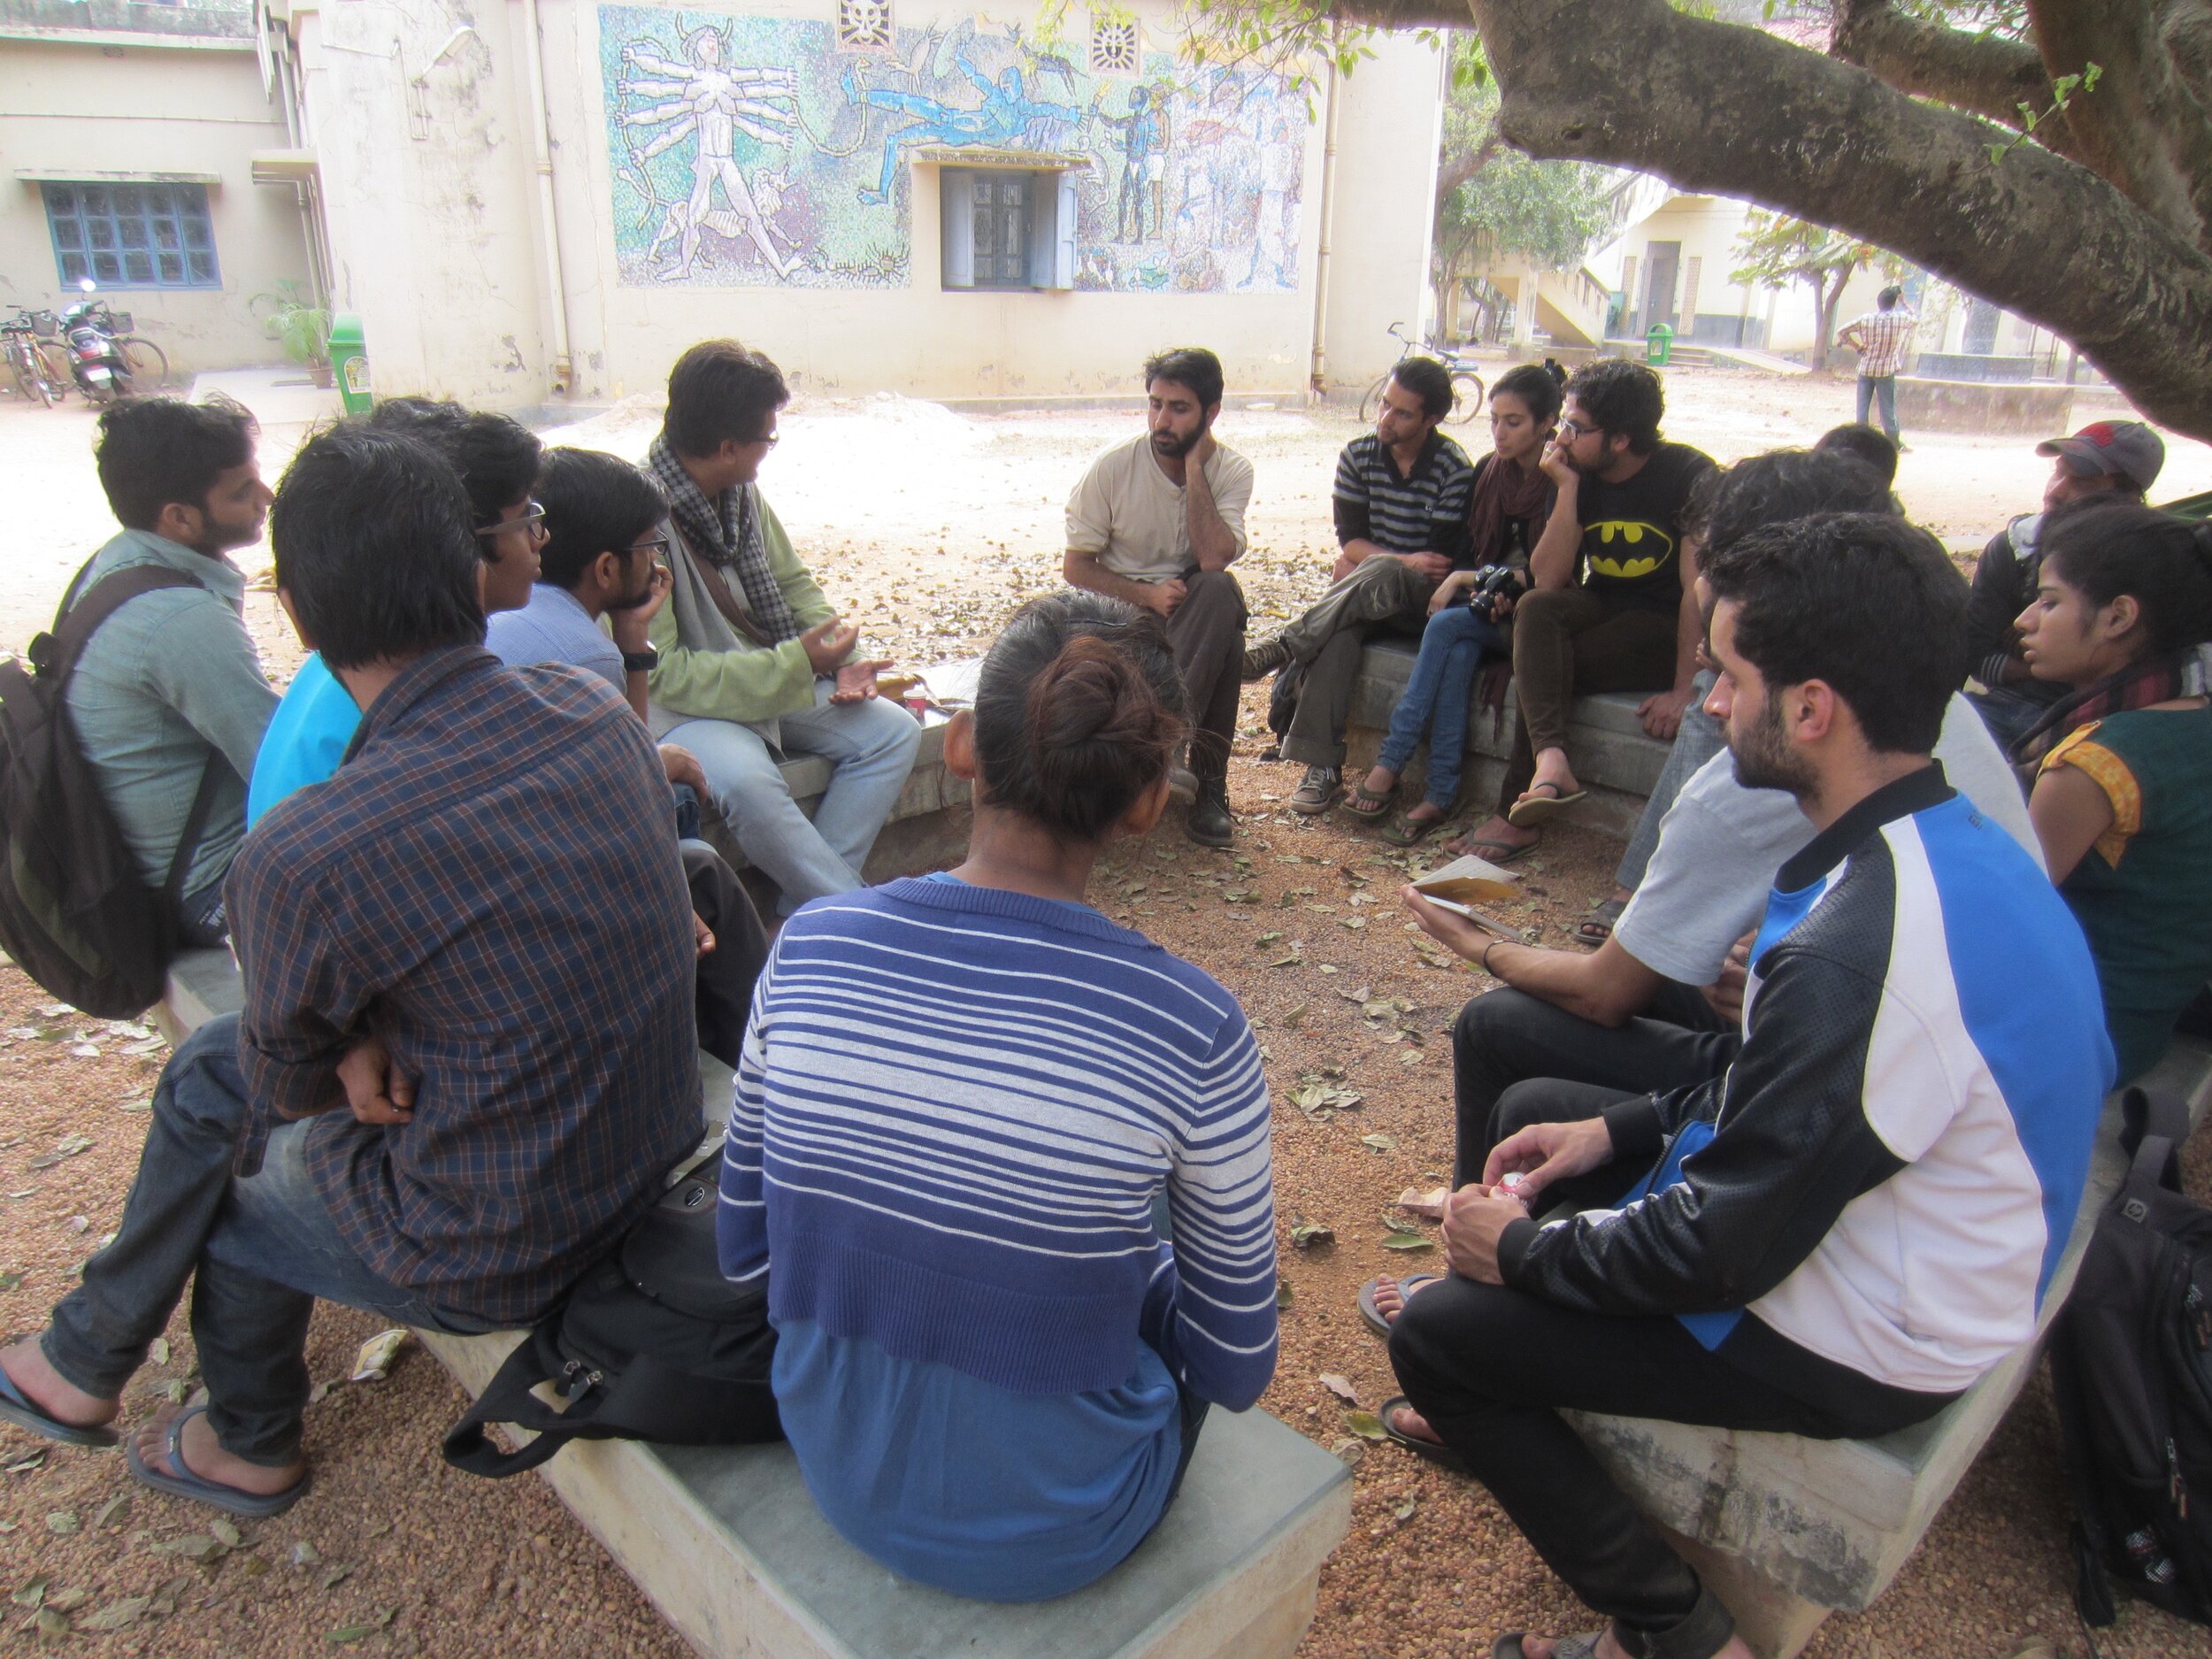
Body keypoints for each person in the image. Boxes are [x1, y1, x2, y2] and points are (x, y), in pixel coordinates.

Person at [1383, 511, 2112, 1659]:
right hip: (1920, 1236)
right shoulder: (1932, 836)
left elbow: (1721, 1248)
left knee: (1440, 1328)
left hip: (1880, 1338)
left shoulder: (1857, 952)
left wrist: (1516, 1255)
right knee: (1538, 1125)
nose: (1710, 703)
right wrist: (1608, 1129)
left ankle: (1672, 1629)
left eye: (1727, 676)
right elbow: (1776, 1090)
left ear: (1812, 709)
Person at [0, 423, 700, 1515]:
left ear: (293, 613)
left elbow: (285, 1093)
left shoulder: (306, 852)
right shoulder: (594, 714)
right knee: (203, 1080)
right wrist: (359, 1037)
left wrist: (343, 1048)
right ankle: (84, 1355)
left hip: (506, 1237)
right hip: (648, 1140)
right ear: (476, 579)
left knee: (234, 1173)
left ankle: (248, 1441)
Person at [719, 590, 1277, 1601]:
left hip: (836, 1469)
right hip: (1072, 1522)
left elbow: (747, 1250)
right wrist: (1122, 1267)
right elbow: (1233, 1368)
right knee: (1128, 1179)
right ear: (1149, 803)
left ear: (962, 747)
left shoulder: (807, 946)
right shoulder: (1194, 1028)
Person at [1390, 453, 2041, 1209]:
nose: (1709, 703)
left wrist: (1482, 943)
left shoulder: (1757, 774)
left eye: (1723, 666)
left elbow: (1611, 995)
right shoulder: (1925, 703)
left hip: (1884, 1108)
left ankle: (1491, 1227)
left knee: (1515, 1058)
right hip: (1937, 1064)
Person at [488, 445, 772, 1067]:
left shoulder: (534, 615)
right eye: (651, 547)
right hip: (545, 902)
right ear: (608, 568)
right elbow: (623, 788)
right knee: (685, 838)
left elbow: (622, 751)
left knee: (670, 798)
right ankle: (743, 1049)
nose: (657, 560)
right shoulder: (581, 656)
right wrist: (656, 764)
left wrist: (634, 643)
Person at [642, 340, 923, 914]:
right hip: (689, 711)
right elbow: (663, 674)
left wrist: (845, 655)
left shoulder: (743, 497)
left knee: (891, 731)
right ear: (726, 448)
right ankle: (852, 911)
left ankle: (802, 909)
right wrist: (796, 665)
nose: (770, 450)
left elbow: (796, 588)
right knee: (748, 786)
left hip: (769, 681)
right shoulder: (638, 516)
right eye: (768, 439)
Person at [1597, 445, 1900, 940]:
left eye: (1715, 558)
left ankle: (1647, 885)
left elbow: (1610, 990)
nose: (1703, 578)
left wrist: (1487, 949)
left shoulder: (1770, 771)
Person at [1450, 358, 1715, 864]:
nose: (1562, 436)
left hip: (1661, 622)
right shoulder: (1576, 474)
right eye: (1564, 422)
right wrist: (1567, 490)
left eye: (1575, 426)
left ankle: (1515, 812)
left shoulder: (1687, 475)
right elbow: (1548, 579)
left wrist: (1685, 690)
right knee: (1538, 609)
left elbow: (1694, 590)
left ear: (1620, 439)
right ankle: (1551, 760)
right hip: (1604, 603)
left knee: (1545, 671)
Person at [245, 398, 546, 826]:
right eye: (525, 517)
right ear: (464, 548)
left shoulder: (356, 652)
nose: (541, 537)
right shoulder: (418, 707)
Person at [63, 398, 278, 946]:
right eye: (241, 492)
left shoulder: (115, 564)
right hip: (204, 890)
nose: (266, 498)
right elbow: (285, 775)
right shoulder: (180, 620)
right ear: (179, 518)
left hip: (148, 869)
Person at [2013, 498, 2212, 1083]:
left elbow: (1999, 912)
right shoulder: (2191, 716)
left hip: (2076, 1035)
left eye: (2049, 601)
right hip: (2143, 1020)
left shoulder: (2094, 764)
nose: (2025, 619)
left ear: (2118, 617)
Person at [1240, 357, 1477, 815]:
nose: (1385, 418)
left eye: (1402, 412)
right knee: (1340, 636)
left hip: (1425, 603)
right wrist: (1398, 558)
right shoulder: (1357, 455)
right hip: (1366, 597)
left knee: (1385, 571)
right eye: (1385, 404)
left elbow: (1434, 566)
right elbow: (1350, 542)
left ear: (1432, 420)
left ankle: (1284, 645)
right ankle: (1322, 768)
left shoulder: (1453, 468)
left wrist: (1390, 561)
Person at [1341, 364, 1562, 843]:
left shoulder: (1562, 482)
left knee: (1444, 630)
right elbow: (1473, 549)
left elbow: (1552, 577)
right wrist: (1481, 585)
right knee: (1457, 649)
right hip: (1485, 608)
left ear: (1547, 423)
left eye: (1515, 422)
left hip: (1538, 620)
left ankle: (1390, 761)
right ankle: (1442, 791)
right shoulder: (1490, 472)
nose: (1500, 433)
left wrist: (1468, 579)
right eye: (1495, 420)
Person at [1063, 347, 1255, 847]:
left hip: (1192, 614)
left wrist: (1194, 468)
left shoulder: (1231, 471)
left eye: (1179, 408)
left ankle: (1175, 755)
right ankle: (1198, 772)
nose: (1161, 420)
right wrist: (1143, 595)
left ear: (1211, 413)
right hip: (1118, 616)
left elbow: (1214, 557)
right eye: (1155, 404)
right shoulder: (1112, 467)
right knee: (1229, 638)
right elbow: (1076, 567)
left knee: (1218, 590)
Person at [1964, 420, 2165, 754]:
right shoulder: (2015, 549)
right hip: (2007, 709)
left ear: (2129, 497)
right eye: (2058, 472)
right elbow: (1976, 656)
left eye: (2082, 482)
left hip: (2114, 720)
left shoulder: (2157, 563)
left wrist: (2037, 658)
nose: (2055, 491)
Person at [1835, 284, 1916, 445]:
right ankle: (1894, 442)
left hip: (1866, 368)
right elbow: (1915, 319)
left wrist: (1857, 346)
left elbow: (1841, 331)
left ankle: (1860, 442)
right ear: (1894, 303)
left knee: (1862, 408)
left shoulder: (1866, 319)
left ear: (1878, 302)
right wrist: (1904, 301)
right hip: (1886, 370)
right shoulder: (1900, 318)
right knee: (1887, 409)